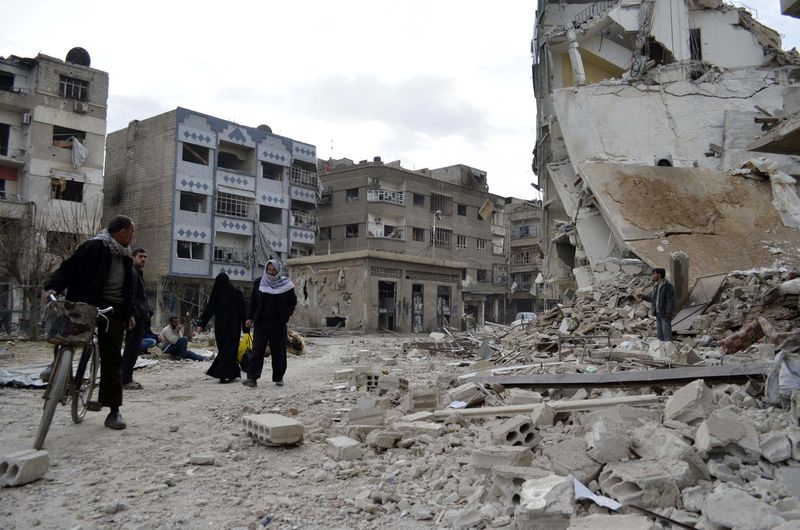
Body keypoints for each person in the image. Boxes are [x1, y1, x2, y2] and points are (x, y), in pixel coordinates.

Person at [43, 215, 136, 430]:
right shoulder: (95, 247)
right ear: (122, 232)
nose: (133, 235)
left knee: (112, 358)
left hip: (113, 310)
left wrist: (129, 312)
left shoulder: (126, 256)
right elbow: (69, 268)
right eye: (131, 231)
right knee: (66, 334)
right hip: (88, 304)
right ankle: (57, 368)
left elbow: (127, 289)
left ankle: (114, 411)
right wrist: (52, 288)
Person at [243, 259, 297, 388]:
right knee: (257, 350)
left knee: (279, 351)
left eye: (274, 270)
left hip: (278, 324)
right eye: (269, 269)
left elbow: (293, 301)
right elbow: (253, 303)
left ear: (278, 270)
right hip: (261, 323)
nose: (271, 272)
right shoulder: (259, 283)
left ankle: (279, 377)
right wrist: (249, 317)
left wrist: (286, 314)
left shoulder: (286, 284)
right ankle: (252, 378)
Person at [196, 273, 247, 383]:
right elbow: (243, 313)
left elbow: (209, 310)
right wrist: (245, 329)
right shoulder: (236, 293)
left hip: (221, 328)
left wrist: (201, 324)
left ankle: (223, 374)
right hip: (233, 328)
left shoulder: (217, 294)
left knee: (225, 351)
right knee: (229, 351)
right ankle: (231, 374)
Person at [121, 248, 149, 390]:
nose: (143, 259)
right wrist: (133, 313)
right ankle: (125, 379)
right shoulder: (132, 273)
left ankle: (125, 377)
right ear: (133, 257)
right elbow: (131, 296)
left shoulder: (137, 273)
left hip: (138, 315)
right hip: (135, 316)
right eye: (140, 256)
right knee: (132, 348)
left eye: (145, 257)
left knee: (133, 347)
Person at [641, 267, 676, 341]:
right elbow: (653, 299)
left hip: (665, 312)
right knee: (660, 334)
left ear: (659, 275)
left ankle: (668, 348)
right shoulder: (656, 285)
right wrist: (643, 297)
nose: (653, 276)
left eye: (654, 274)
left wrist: (668, 312)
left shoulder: (667, 285)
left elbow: (670, 300)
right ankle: (661, 349)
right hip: (658, 312)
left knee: (666, 333)